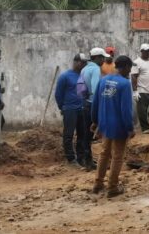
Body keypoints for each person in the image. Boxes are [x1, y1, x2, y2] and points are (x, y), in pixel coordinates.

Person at [91, 55, 135, 198]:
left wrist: (95, 121)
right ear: (126, 67)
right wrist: (130, 127)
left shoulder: (103, 80)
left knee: (104, 153)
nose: (130, 71)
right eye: (130, 68)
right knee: (117, 156)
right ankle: (112, 187)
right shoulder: (124, 84)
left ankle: (98, 184)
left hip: (104, 123)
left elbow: (95, 102)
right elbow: (126, 110)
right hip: (119, 125)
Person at [55, 54, 89, 167]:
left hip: (80, 109)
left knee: (82, 134)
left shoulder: (81, 76)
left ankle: (81, 158)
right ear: (76, 62)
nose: (84, 65)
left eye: (85, 63)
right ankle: (71, 159)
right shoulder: (65, 76)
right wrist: (62, 107)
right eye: (82, 62)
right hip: (70, 109)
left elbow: (81, 92)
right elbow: (58, 94)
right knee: (68, 135)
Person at [82, 47, 108, 170]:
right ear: (97, 58)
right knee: (103, 132)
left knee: (87, 134)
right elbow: (95, 89)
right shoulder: (96, 69)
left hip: (85, 103)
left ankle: (88, 161)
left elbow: (80, 89)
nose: (103, 60)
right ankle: (105, 161)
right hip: (94, 105)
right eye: (102, 57)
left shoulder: (84, 69)